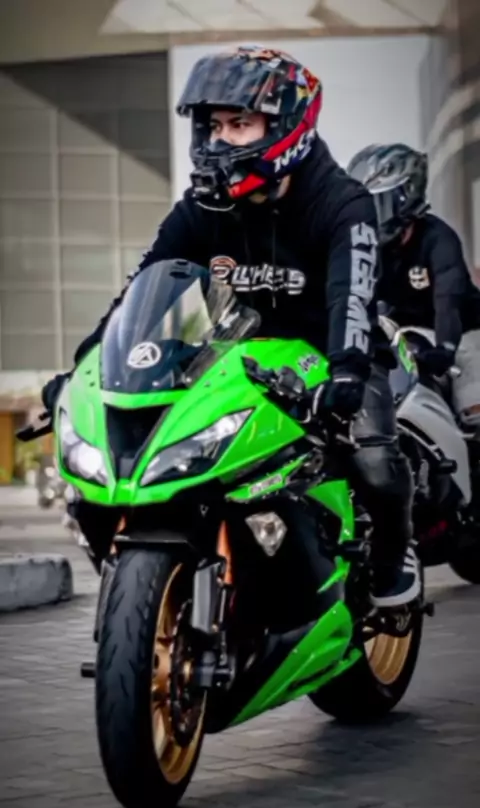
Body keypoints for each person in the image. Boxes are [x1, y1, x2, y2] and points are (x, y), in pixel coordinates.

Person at [41, 45, 420, 609]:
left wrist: (346, 373)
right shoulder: (201, 207)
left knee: (374, 460)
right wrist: (83, 370)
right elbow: (138, 293)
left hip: (336, 350)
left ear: (287, 127)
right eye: (214, 126)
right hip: (236, 355)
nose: (220, 141)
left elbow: (352, 296)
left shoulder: (342, 203)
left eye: (239, 125)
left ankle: (394, 561)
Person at [346, 143, 480, 429]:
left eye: (379, 203)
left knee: (474, 408)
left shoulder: (439, 239)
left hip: (463, 333)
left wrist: (445, 349)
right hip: (405, 335)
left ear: (407, 196)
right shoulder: (364, 249)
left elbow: (449, 303)